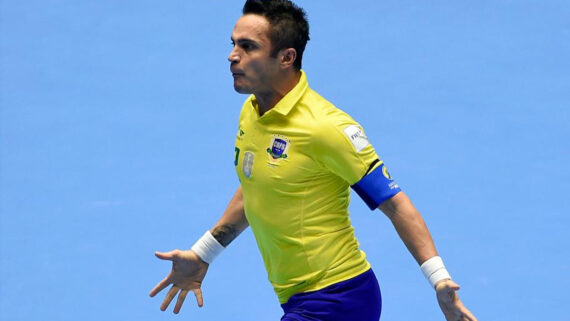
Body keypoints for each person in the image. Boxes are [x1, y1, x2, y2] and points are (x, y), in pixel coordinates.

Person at [149, 1, 478, 320]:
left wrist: (440, 280)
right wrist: (204, 252)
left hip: (339, 298)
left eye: (248, 47)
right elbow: (257, 187)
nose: (233, 56)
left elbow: (395, 203)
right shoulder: (252, 113)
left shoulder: (326, 127)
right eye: (234, 44)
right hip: (297, 299)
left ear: (286, 57)